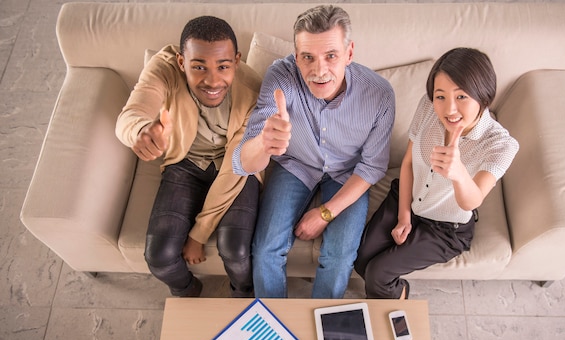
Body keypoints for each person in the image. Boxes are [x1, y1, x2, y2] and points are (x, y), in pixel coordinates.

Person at [232, 5, 395, 298]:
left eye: (331, 56)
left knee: (339, 256)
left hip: (349, 172)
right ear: (296, 57)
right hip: (296, 163)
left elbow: (371, 168)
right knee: (266, 248)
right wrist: (264, 143)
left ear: (349, 53)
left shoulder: (380, 94)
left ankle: (321, 323)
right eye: (308, 57)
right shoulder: (280, 78)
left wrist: (324, 213)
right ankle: (272, 329)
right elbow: (240, 162)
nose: (319, 71)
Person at [354, 47, 519, 299]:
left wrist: (459, 173)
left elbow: (472, 201)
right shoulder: (429, 106)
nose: (449, 109)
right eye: (441, 96)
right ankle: (390, 290)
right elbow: (408, 162)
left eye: (461, 96)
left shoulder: (501, 144)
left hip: (445, 228)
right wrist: (403, 216)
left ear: (484, 97)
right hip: (407, 198)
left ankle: (398, 295)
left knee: (378, 274)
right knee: (361, 260)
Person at [116, 16, 262, 297]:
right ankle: (188, 292)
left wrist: (198, 234)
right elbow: (133, 112)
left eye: (223, 66)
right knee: (159, 257)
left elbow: (236, 166)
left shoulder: (254, 91)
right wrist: (141, 131)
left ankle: (243, 293)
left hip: (234, 167)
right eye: (198, 67)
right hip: (185, 165)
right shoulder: (165, 68)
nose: (212, 80)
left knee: (236, 250)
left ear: (237, 61)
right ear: (182, 62)